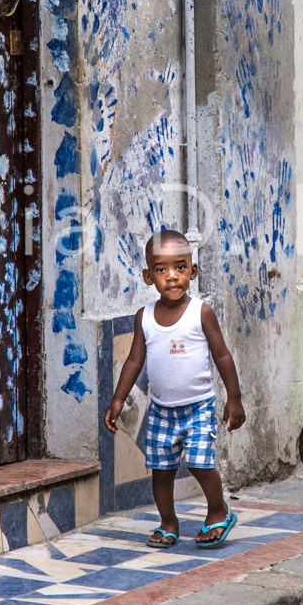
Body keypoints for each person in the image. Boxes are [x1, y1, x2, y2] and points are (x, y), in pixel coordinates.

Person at [104, 230, 246, 548]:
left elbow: (222, 354)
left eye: (180, 267)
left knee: (199, 462)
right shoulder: (145, 318)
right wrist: (117, 399)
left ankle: (218, 511)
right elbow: (133, 361)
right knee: (161, 469)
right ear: (148, 275)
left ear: (192, 271)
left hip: (198, 407)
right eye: (161, 269)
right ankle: (168, 522)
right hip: (161, 410)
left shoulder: (201, 313)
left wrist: (234, 399)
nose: (172, 277)